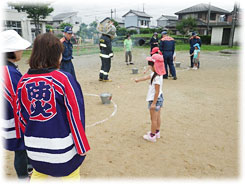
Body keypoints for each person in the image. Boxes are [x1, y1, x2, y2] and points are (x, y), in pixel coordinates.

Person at [15, 33, 90, 180]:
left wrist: (30, 137)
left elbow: (21, 116)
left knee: (38, 173)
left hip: (34, 149)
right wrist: (82, 147)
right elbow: (76, 116)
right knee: (71, 175)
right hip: (62, 149)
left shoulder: (22, 81)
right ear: (57, 55)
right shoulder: (64, 79)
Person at [1, 30, 32, 179]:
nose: (22, 51)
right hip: (14, 120)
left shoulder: (8, 68)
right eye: (19, 48)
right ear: (11, 51)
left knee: (22, 149)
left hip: (8, 116)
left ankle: (27, 170)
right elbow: (18, 100)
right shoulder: (9, 71)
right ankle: (23, 177)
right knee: (20, 149)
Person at [135, 47, 166, 142]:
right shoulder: (156, 74)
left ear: (155, 66)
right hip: (158, 98)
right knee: (157, 117)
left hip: (154, 99)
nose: (150, 67)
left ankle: (152, 136)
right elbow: (147, 77)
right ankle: (157, 132)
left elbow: (157, 91)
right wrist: (138, 80)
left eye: (151, 65)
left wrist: (153, 103)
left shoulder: (157, 78)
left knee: (153, 118)